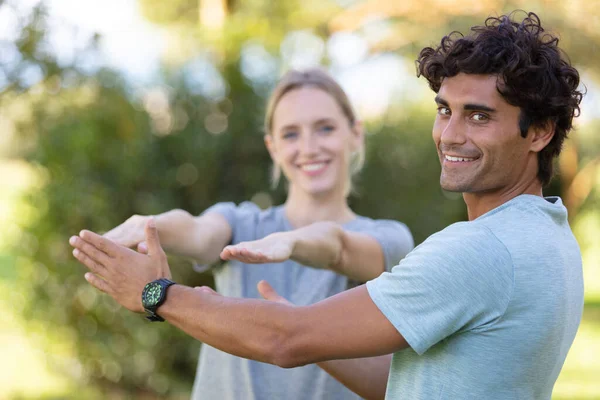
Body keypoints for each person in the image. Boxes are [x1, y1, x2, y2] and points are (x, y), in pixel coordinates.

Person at [70, 11, 584, 400]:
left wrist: (158, 293)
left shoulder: (480, 250)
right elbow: (401, 382)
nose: (449, 134)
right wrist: (310, 328)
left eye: (478, 117)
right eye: (445, 110)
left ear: (539, 131)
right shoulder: (545, 234)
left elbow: (287, 338)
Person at [90, 68, 414, 400]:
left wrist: (292, 241)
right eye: (290, 134)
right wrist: (151, 225)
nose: (309, 147)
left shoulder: (389, 238)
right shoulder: (240, 224)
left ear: (355, 134)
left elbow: (340, 248)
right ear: (272, 147)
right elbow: (198, 232)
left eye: (325, 128)